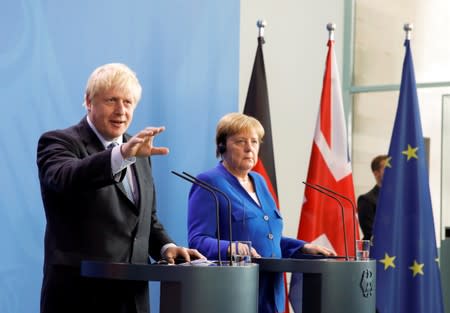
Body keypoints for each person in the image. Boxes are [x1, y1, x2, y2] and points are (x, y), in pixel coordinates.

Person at [37, 63, 204, 313]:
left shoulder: (138, 149)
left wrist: (166, 247)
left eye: (128, 102)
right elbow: (67, 177)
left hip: (132, 298)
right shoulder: (58, 141)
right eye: (111, 100)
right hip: (80, 298)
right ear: (88, 101)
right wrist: (121, 154)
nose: (121, 110)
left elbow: (147, 219)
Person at [187, 112, 335, 313]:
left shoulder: (259, 181)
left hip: (272, 292)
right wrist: (231, 248)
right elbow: (197, 240)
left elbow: (269, 238)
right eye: (241, 141)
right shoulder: (209, 183)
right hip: (234, 292)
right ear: (222, 146)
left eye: (254, 142)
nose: (249, 148)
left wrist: (303, 247)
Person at [357, 154, 389, 241]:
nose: (392, 171)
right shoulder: (366, 200)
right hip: (379, 252)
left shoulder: (401, 201)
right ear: (376, 173)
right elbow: (370, 233)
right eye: (387, 168)